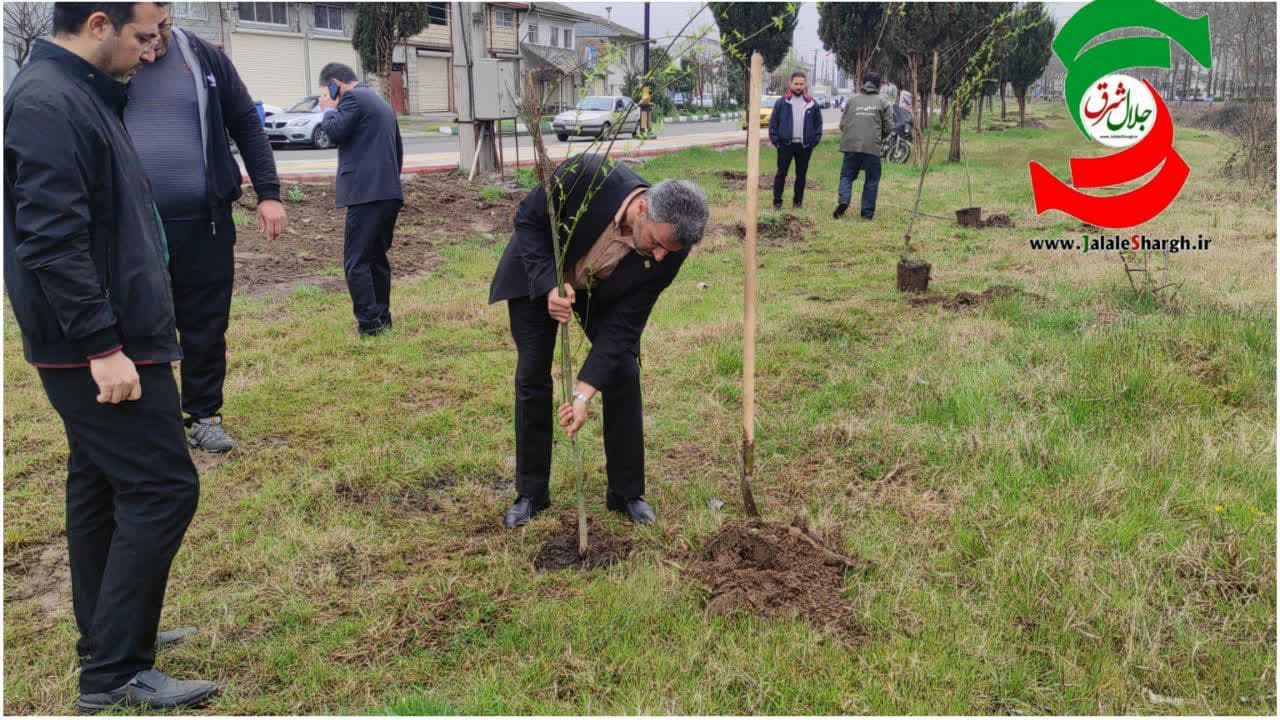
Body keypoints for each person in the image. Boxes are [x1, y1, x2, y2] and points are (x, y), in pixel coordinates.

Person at [3, 3, 218, 712]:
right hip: (97, 344)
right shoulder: (49, 103)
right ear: (99, 24)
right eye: (144, 37)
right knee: (163, 489)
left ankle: (109, 635)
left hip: (116, 333)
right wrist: (102, 345)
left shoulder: (82, 93)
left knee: (98, 486)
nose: (153, 51)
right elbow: (50, 238)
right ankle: (115, 673)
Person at [489, 154, 709, 529]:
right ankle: (531, 493)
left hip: (600, 293)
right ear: (642, 209)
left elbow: (624, 326)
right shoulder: (588, 175)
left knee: (623, 371)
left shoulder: (672, 245)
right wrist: (549, 286)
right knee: (532, 374)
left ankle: (626, 493)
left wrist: (582, 395)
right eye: (657, 243)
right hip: (539, 273)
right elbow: (528, 220)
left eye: (668, 252)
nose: (660, 257)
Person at [124, 4, 286, 453]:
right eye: (145, 32)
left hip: (204, 222)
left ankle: (204, 415)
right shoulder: (107, 62)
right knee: (139, 324)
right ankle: (150, 421)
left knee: (206, 325)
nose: (154, 41)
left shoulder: (203, 57)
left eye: (162, 27)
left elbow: (246, 123)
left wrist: (269, 193)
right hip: (133, 227)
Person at [316, 62, 404, 336]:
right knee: (376, 258)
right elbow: (398, 148)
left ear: (335, 84)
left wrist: (327, 110)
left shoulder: (352, 98)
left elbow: (335, 133)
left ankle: (369, 325)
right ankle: (382, 318)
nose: (325, 95)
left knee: (356, 261)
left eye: (326, 90)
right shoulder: (380, 102)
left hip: (366, 194)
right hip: (387, 192)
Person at [834, 71, 894, 221]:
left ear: (863, 83)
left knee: (847, 175)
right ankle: (866, 214)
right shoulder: (884, 102)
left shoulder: (852, 100)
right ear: (879, 85)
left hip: (850, 146)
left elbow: (842, 124)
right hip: (871, 147)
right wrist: (877, 137)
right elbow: (888, 127)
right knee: (872, 179)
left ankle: (844, 199)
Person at [767, 71, 823, 210]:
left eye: (801, 84)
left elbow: (818, 125)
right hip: (785, 145)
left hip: (804, 146)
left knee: (801, 175)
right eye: (796, 83)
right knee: (781, 174)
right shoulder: (781, 103)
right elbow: (773, 123)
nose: (798, 87)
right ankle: (777, 202)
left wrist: (814, 141)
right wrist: (776, 141)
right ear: (790, 84)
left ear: (805, 84)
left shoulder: (812, 104)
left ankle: (797, 203)